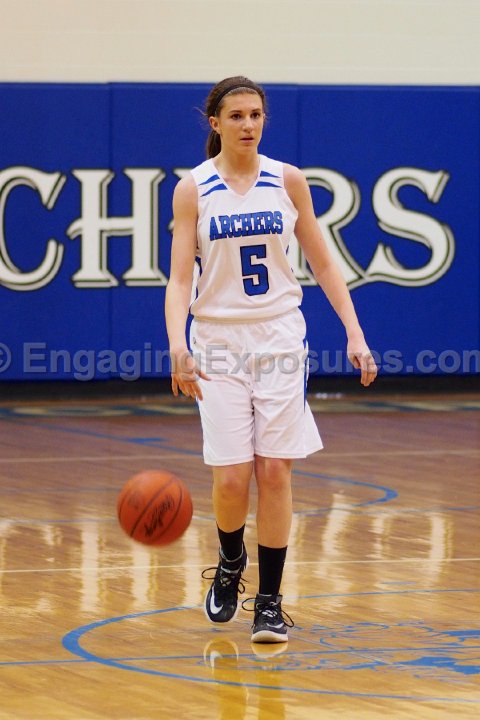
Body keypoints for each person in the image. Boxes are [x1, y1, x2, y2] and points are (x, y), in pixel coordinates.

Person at [165, 76, 377, 644]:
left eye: (256, 114)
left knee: (275, 470)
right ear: (215, 123)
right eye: (236, 116)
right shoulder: (194, 188)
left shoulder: (287, 180)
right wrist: (178, 343)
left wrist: (354, 331)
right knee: (233, 477)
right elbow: (180, 277)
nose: (248, 125)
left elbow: (324, 263)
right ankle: (230, 560)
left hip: (280, 336)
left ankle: (270, 602)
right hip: (217, 340)